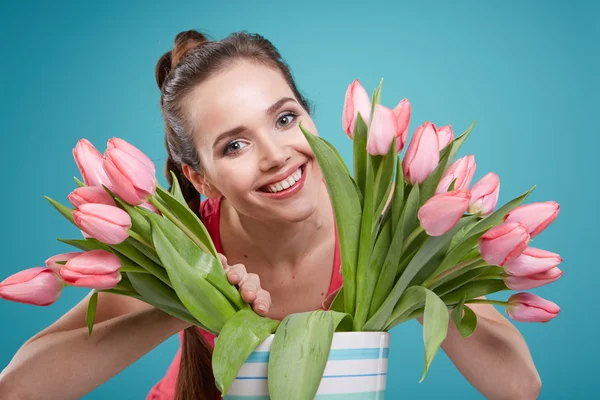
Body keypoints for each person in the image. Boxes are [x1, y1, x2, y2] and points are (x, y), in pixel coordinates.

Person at [0, 30, 542, 400]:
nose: (276, 153)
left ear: (308, 112)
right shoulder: (184, 249)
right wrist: (185, 302)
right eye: (234, 146)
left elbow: (520, 386)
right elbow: (17, 386)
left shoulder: (392, 227)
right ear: (199, 178)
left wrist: (408, 277)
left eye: (285, 118)